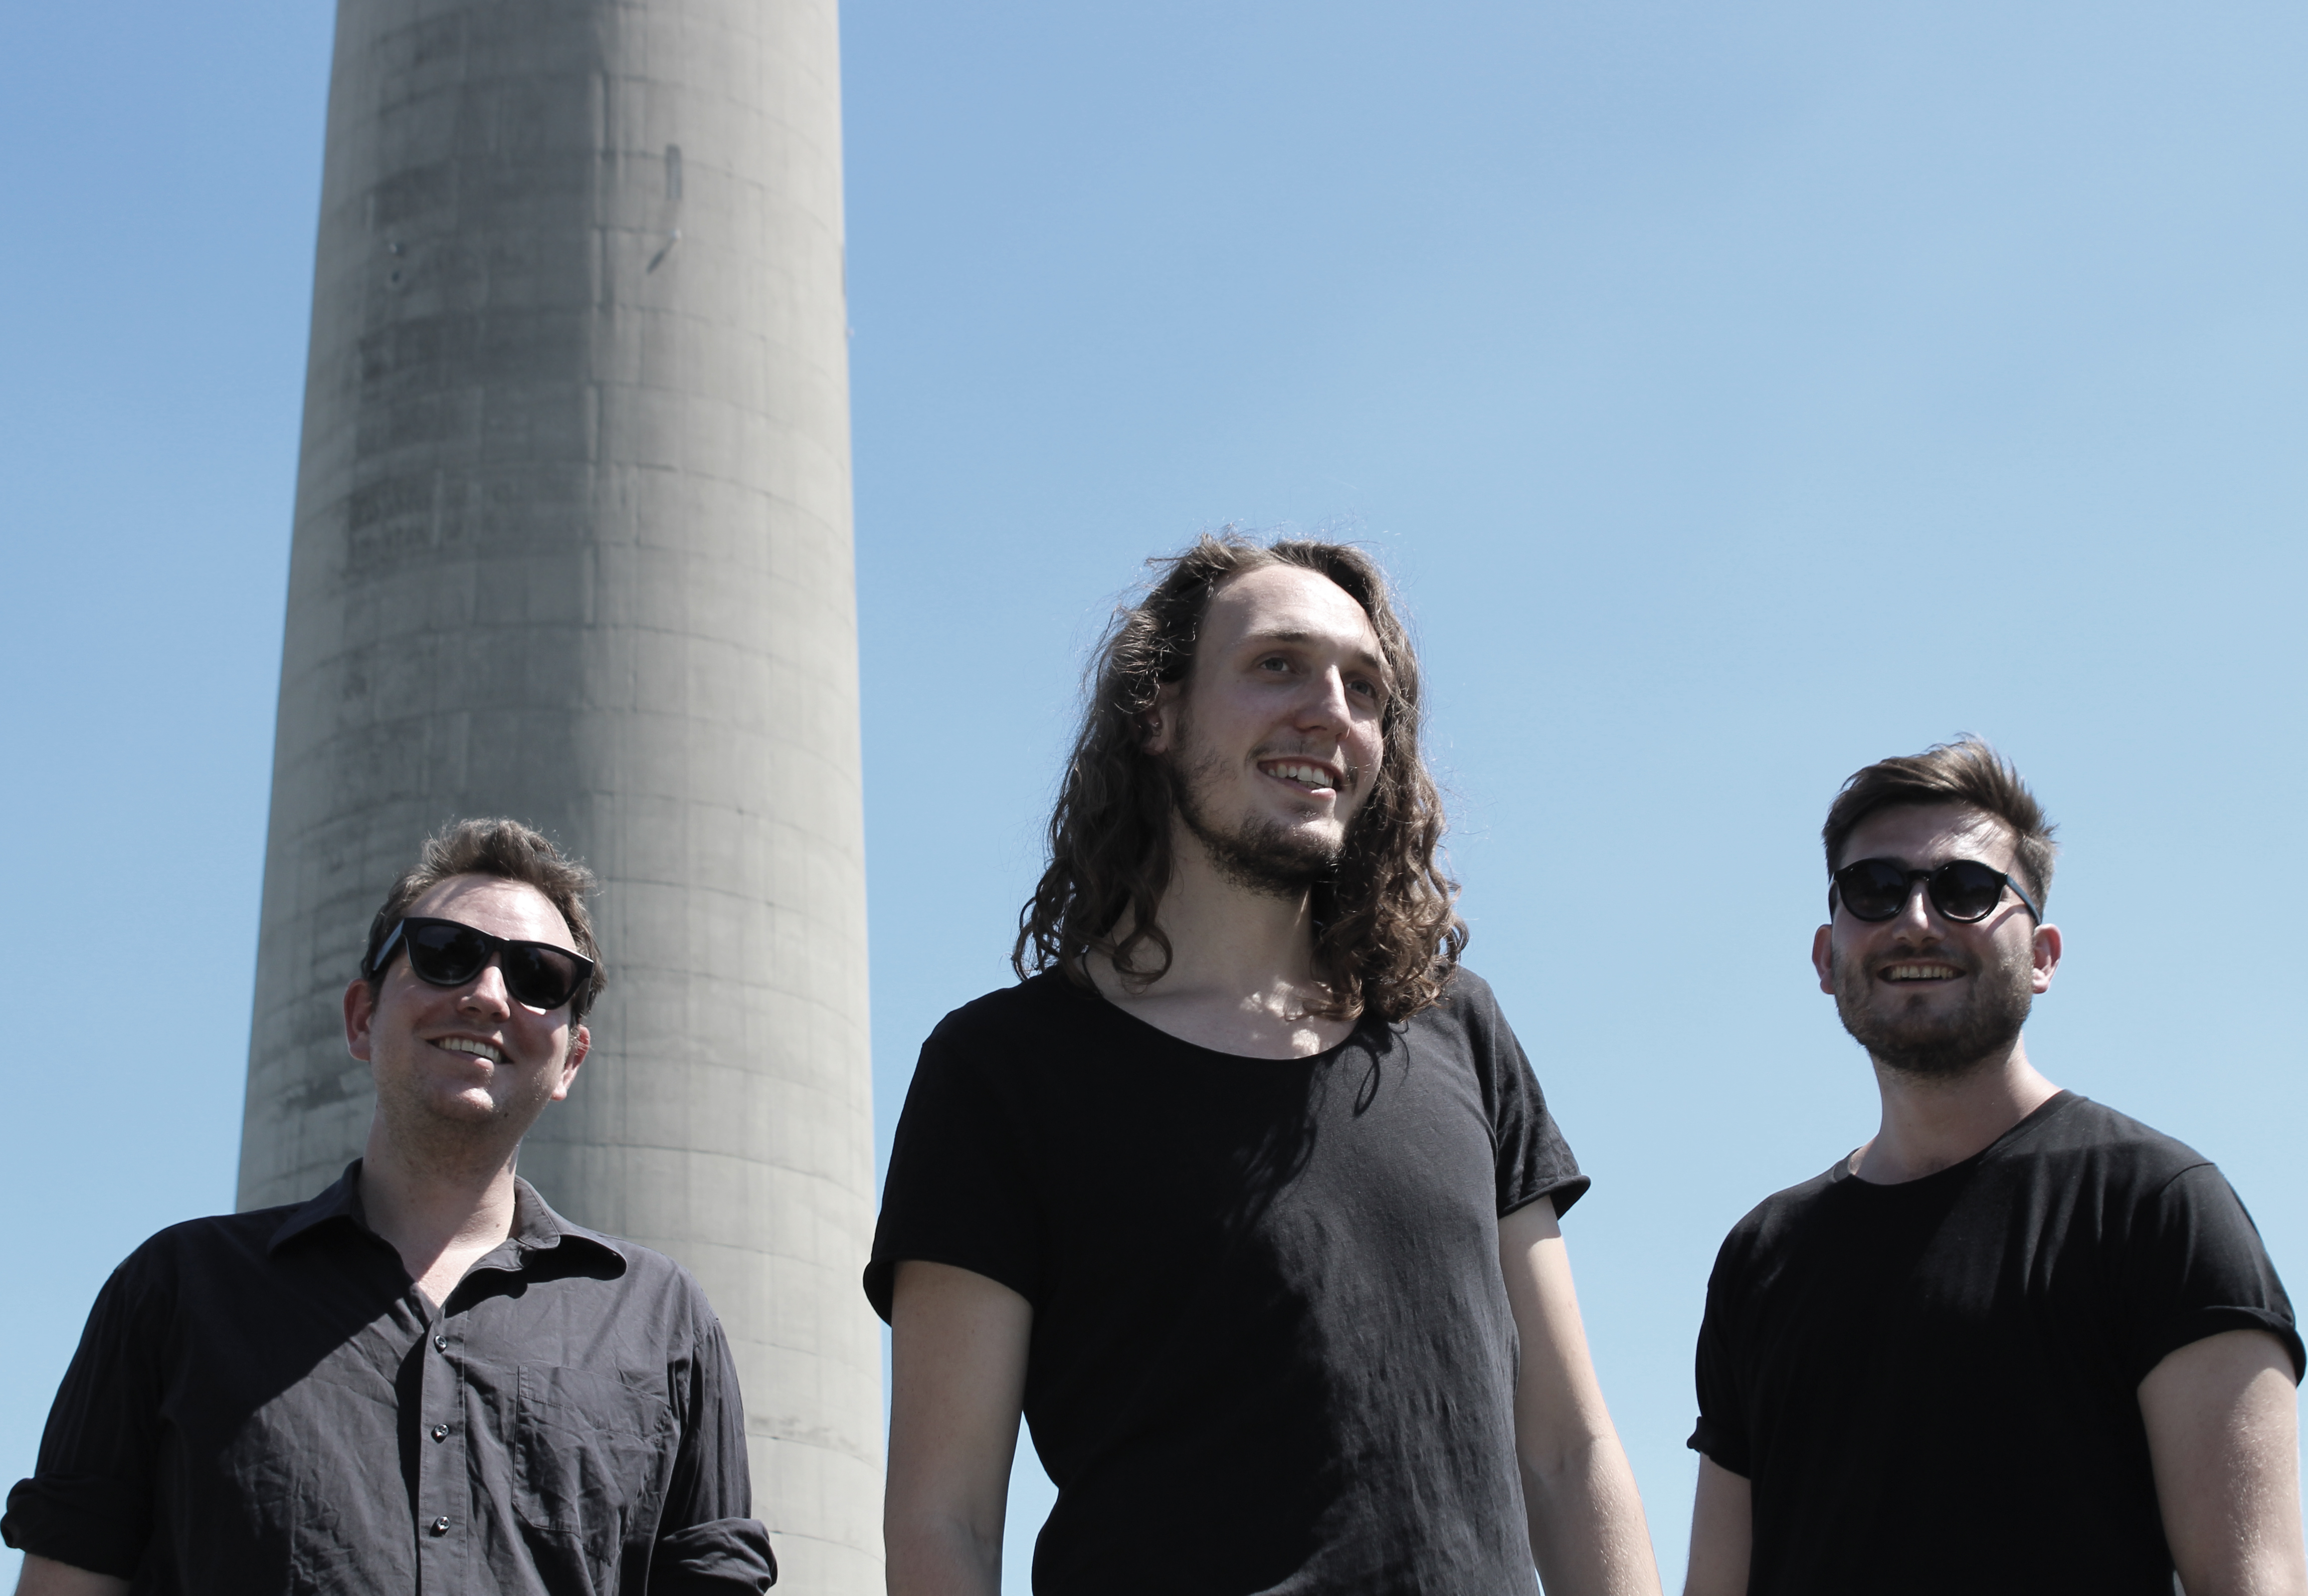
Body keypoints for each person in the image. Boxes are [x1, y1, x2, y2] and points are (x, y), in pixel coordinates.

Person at [869, 533, 1661, 1596]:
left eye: (1364, 687)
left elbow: (1568, 1451)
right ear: (1156, 713)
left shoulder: (1460, 1029)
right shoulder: (999, 1071)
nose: (1330, 712)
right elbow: (946, 1521)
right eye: (1277, 665)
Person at [3, 819, 776, 1595]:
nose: (487, 996)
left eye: (539, 976)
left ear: (571, 1060)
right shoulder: (178, 1290)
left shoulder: (661, 1321)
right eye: (445, 954)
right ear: (361, 1018)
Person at [1682, 739, 2306, 1596]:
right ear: (1827, 957)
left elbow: (2254, 1581)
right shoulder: (1761, 1257)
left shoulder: (2159, 1207)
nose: (1915, 920)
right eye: (1874, 889)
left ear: (2043, 956)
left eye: (1967, 890)